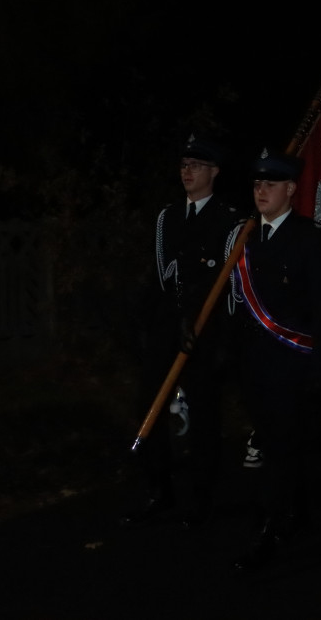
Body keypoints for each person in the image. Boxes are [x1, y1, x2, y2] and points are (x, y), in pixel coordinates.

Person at [120, 134, 245, 531]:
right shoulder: (167, 217)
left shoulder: (230, 220)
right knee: (149, 405)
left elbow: (223, 281)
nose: (187, 172)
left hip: (206, 329)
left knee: (204, 415)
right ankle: (159, 488)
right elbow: (161, 276)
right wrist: (145, 324)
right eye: (184, 166)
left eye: (196, 166)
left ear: (214, 172)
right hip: (166, 325)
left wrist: (211, 330)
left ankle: (201, 497)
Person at [229, 148, 321, 571]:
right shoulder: (245, 236)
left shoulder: (310, 237)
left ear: (291, 190)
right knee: (276, 444)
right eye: (257, 184)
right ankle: (295, 512)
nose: (261, 190)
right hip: (254, 365)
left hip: (293, 364)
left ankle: (270, 529)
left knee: (279, 449)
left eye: (270, 184)